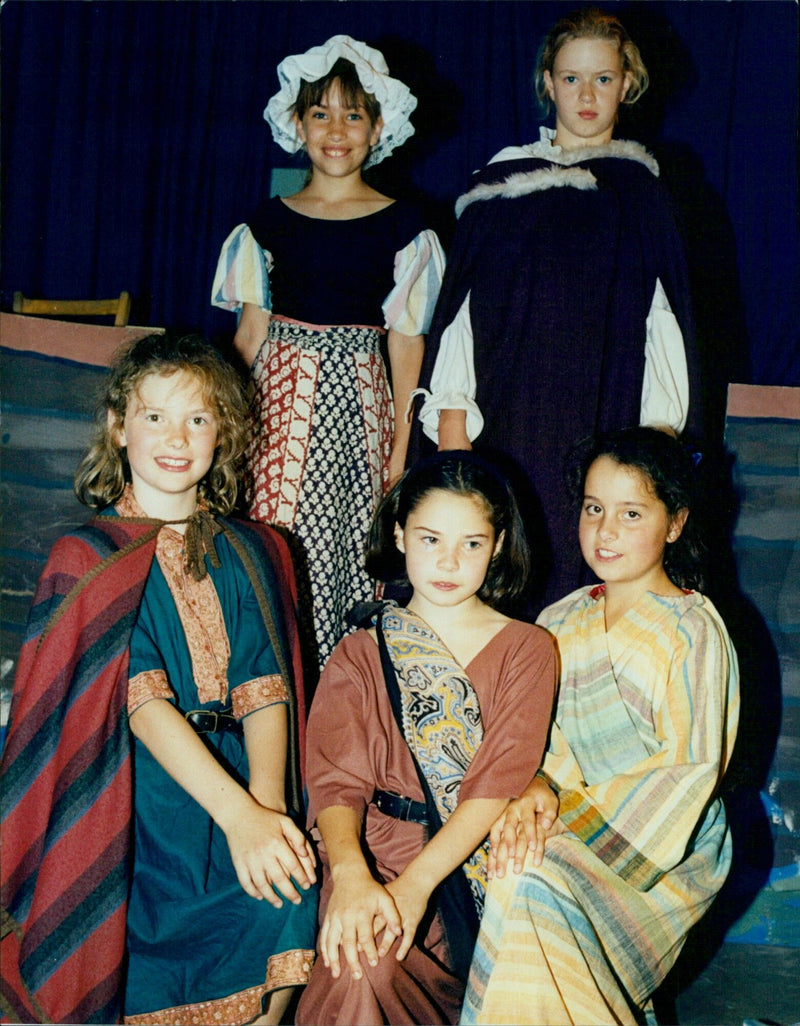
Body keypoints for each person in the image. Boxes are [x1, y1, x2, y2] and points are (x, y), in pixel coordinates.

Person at [0, 334, 318, 1026]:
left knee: (285, 900)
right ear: (119, 426)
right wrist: (237, 818)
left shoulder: (253, 548)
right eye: (155, 417)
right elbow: (140, 698)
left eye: (198, 419)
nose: (177, 438)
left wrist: (266, 812)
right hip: (131, 798)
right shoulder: (84, 554)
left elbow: (265, 685)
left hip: (241, 782)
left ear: (224, 432)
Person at [415, 7, 700, 610]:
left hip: (602, 434)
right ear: (548, 83)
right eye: (572, 78)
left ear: (628, 82)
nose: (587, 95)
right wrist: (452, 436)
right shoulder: (500, 185)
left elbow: (664, 327)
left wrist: (651, 451)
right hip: (502, 431)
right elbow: (458, 322)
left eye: (603, 78)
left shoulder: (642, 195)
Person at [461, 426, 740, 1026]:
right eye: (594, 509)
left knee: (532, 883)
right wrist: (533, 785)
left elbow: (689, 771)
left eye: (631, 513)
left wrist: (562, 811)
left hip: (663, 847)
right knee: (512, 867)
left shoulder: (694, 630)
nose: (605, 531)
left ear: (676, 523)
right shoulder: (559, 619)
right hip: (563, 820)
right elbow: (529, 734)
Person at [294, 452, 557, 1025]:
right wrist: (353, 877)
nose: (448, 562)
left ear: (499, 544)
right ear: (398, 534)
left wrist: (416, 887)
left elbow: (497, 782)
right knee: (357, 963)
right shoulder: (362, 649)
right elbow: (336, 784)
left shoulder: (528, 649)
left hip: (469, 867)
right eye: (430, 538)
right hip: (369, 855)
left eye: (471, 544)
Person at [212, 35, 445, 673]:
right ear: (297, 123)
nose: (336, 131)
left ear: (378, 127)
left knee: (345, 545)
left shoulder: (405, 226)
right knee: (271, 536)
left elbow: (405, 340)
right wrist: (224, 429)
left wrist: (399, 445)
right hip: (278, 409)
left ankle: (336, 702)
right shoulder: (269, 221)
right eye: (321, 114)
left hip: (357, 411)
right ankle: (263, 687)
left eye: (352, 115)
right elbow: (249, 338)